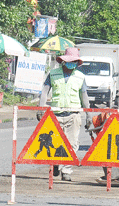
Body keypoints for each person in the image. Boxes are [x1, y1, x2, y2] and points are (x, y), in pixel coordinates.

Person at [38, 47, 90, 182]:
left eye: (74, 62)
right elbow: (45, 91)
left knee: (71, 144)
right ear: (63, 61)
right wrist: (41, 108)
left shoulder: (80, 76)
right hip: (55, 114)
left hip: (73, 114)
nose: (72, 64)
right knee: (54, 142)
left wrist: (89, 115)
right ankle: (55, 163)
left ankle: (66, 171)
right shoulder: (53, 74)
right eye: (70, 61)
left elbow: (84, 96)